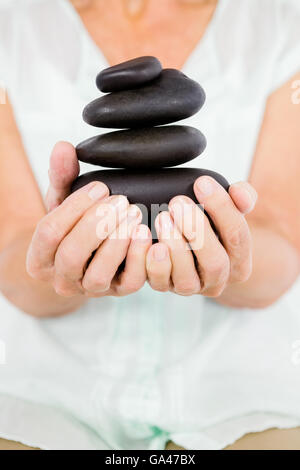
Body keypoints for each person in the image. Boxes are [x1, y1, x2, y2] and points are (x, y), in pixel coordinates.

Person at [0, 0, 300, 451]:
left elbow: (283, 243)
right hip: (45, 387)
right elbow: (12, 248)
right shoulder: (12, 23)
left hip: (239, 385)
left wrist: (233, 253)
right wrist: (56, 262)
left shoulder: (280, 19)